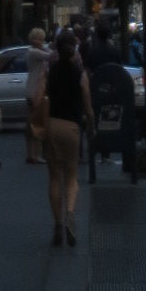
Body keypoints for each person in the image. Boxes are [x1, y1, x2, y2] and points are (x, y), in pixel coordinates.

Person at [38, 28, 95, 249]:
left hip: (52, 125)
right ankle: (70, 213)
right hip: (72, 127)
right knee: (71, 177)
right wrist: (91, 128)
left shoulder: (50, 72)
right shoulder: (80, 74)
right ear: (74, 49)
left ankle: (58, 224)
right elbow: (88, 108)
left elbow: (42, 97)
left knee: (54, 177)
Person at [25, 28, 50, 163]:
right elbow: (51, 55)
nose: (42, 42)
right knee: (38, 121)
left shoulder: (30, 51)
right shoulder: (35, 52)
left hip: (31, 88)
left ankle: (31, 153)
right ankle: (35, 154)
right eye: (41, 39)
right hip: (36, 89)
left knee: (31, 122)